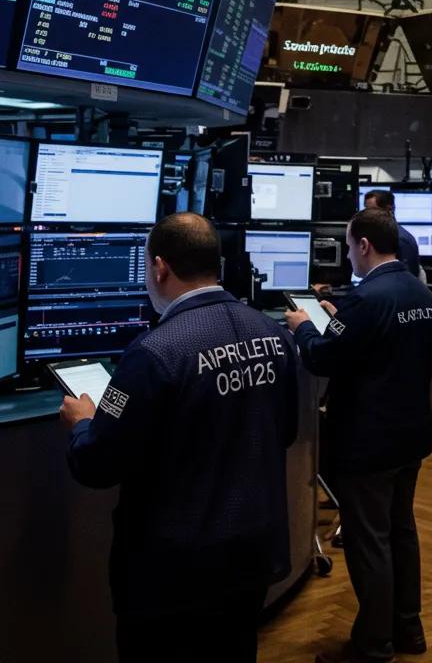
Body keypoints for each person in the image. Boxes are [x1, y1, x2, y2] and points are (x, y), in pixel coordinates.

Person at [59, 212, 298, 662]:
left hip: (173, 572)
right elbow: (283, 433)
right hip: (252, 554)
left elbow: (97, 464)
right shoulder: (274, 335)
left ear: (159, 268)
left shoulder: (153, 354)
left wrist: (84, 423)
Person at [286, 208, 432, 663]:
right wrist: (339, 318)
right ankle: (409, 628)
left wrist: (305, 327)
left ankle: (373, 644)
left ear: (364, 245)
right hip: (411, 434)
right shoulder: (419, 291)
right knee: (401, 531)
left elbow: (322, 357)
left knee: (369, 540)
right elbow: (375, 344)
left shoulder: (366, 300)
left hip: (368, 439)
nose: (350, 254)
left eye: (350, 246)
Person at [364, 189, 421, 278]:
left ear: (389, 210)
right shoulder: (380, 236)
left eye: (373, 210)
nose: (368, 216)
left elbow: (406, 280)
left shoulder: (400, 240)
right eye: (366, 211)